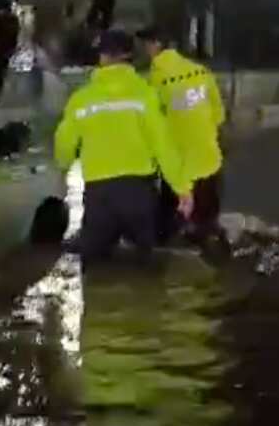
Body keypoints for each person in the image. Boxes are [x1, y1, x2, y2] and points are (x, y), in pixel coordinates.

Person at [53, 28, 193, 260]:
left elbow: (64, 145)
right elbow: (163, 145)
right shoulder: (145, 94)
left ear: (103, 58)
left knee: (94, 269)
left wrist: (63, 168)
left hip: (99, 195)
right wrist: (182, 189)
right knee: (147, 269)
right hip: (138, 193)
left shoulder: (82, 98)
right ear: (130, 57)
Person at [138, 25, 226, 245]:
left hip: (179, 170)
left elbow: (150, 126)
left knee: (171, 230)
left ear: (156, 45)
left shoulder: (154, 81)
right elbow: (218, 116)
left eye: (146, 44)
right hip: (209, 162)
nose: (144, 49)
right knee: (207, 227)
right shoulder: (201, 72)